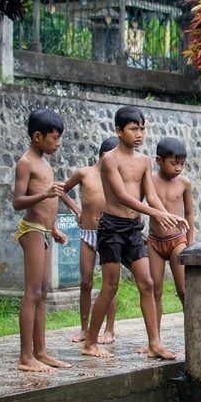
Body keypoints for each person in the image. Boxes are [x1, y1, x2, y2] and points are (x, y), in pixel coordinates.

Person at [80, 106, 188, 360]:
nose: (139, 134)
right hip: (112, 229)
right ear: (119, 131)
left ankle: (155, 344)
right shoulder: (110, 159)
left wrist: (168, 215)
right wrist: (156, 213)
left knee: (148, 283)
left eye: (142, 128)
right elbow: (122, 197)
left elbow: (150, 195)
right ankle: (90, 342)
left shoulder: (144, 161)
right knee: (110, 285)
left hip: (133, 229)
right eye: (133, 128)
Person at [12, 108, 71, 372]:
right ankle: (26, 357)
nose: (58, 143)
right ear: (38, 136)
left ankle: (41, 351)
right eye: (54, 138)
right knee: (32, 293)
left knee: (43, 293)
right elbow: (18, 201)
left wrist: (55, 228)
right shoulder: (26, 162)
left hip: (45, 231)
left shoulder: (45, 162)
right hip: (32, 230)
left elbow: (48, 204)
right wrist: (46, 194)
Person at [61, 137, 119, 344]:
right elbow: (62, 190)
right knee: (85, 281)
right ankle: (84, 329)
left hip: (110, 233)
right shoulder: (84, 173)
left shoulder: (116, 178)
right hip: (87, 232)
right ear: (105, 155)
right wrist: (77, 210)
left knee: (109, 283)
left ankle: (109, 329)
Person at [147, 137, 195, 334]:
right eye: (174, 163)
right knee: (154, 290)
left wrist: (190, 243)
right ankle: (155, 338)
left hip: (177, 241)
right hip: (154, 242)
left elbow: (190, 213)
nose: (178, 168)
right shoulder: (149, 180)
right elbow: (139, 203)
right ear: (159, 160)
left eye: (182, 164)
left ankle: (194, 333)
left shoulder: (184, 183)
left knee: (184, 290)